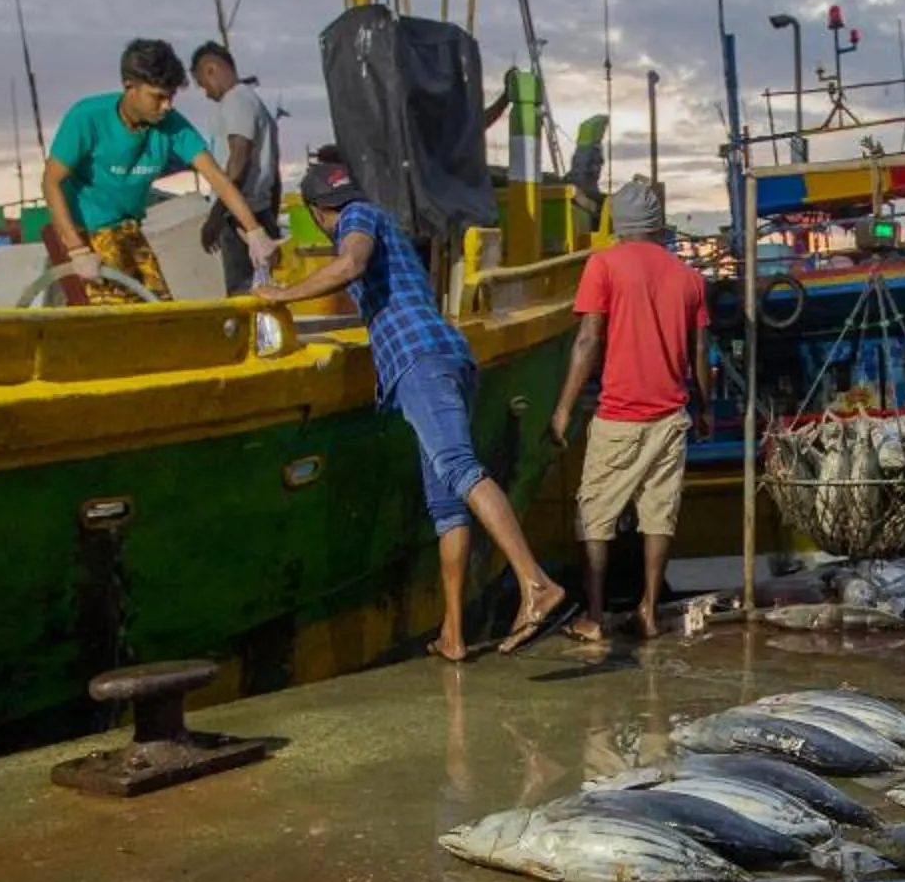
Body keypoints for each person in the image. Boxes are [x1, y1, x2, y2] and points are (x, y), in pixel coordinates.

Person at [258, 149, 570, 660]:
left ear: (318, 211)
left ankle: (535, 583)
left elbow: (351, 263)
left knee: (459, 467)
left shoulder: (356, 218)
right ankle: (452, 633)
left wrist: (282, 295)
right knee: (446, 506)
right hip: (445, 357)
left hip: (419, 361)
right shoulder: (381, 222)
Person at [550, 177, 710, 645]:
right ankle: (648, 609)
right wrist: (701, 407)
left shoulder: (602, 265)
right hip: (670, 416)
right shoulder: (689, 278)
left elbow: (588, 339)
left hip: (619, 416)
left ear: (618, 224)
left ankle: (596, 617)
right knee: (659, 514)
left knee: (594, 514)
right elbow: (701, 351)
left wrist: (562, 408)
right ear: (658, 224)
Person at [43, 38, 273, 304]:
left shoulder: (171, 125)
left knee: (158, 308)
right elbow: (51, 182)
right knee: (113, 315)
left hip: (127, 228)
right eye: (158, 96)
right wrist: (76, 248)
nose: (167, 106)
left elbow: (217, 177)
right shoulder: (87, 118)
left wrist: (255, 231)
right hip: (84, 232)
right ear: (130, 87)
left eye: (171, 96)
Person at [190, 42, 281, 297]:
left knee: (241, 292)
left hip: (239, 216)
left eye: (202, 83)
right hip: (259, 212)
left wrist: (216, 216)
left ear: (211, 69)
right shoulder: (256, 103)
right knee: (261, 289)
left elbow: (238, 160)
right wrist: (270, 220)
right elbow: (274, 172)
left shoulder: (236, 100)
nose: (206, 93)